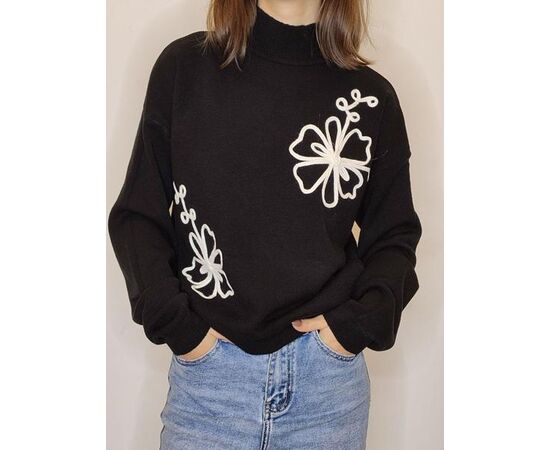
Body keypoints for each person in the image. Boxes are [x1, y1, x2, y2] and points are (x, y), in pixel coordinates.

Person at [108, 0, 422, 448]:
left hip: (327, 392)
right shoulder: (184, 69)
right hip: (209, 388)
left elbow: (394, 235)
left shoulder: (371, 98)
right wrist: (180, 329)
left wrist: (356, 326)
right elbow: (139, 215)